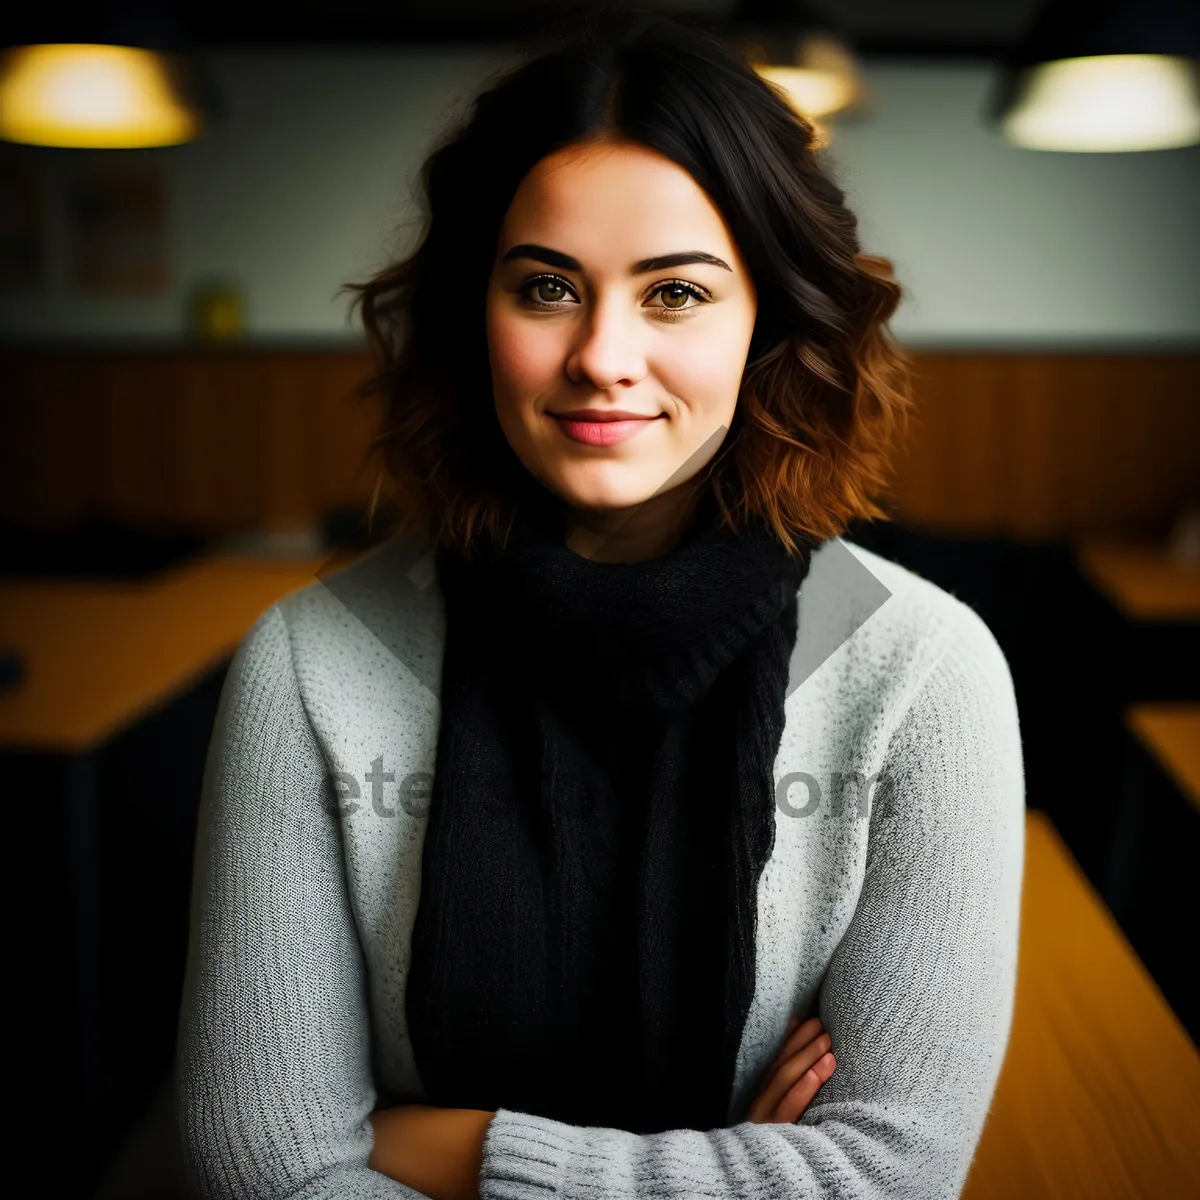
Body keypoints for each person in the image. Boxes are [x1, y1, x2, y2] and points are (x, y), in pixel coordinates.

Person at [174, 8, 1025, 1199]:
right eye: (546, 288)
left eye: (675, 294)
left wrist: (436, 1146)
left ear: (766, 323)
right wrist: (745, 1168)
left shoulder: (926, 672)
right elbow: (261, 1165)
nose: (603, 357)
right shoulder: (312, 662)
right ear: (475, 317)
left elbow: (888, 1175)